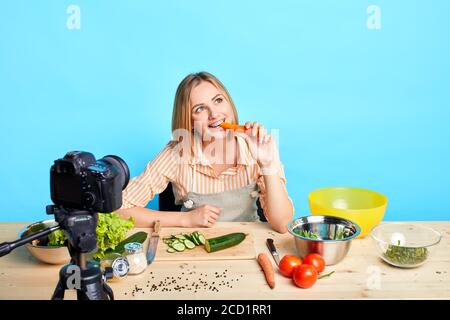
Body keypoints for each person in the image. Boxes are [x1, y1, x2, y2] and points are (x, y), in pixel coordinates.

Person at [116, 72, 293, 233]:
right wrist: (185, 219)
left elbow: (282, 224)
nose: (214, 114)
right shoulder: (176, 154)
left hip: (251, 247)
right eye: (200, 109)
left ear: (229, 103)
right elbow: (119, 209)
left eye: (218, 100)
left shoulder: (257, 148)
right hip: (194, 252)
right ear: (189, 121)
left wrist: (268, 165)